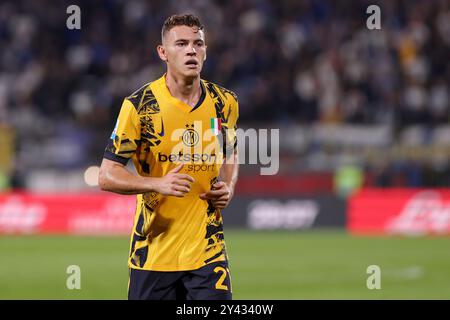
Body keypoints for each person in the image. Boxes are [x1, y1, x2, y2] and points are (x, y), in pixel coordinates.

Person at [98, 13, 239, 300]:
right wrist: (156, 183)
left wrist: (228, 187)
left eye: (198, 44)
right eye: (182, 44)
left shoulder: (225, 102)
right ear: (163, 52)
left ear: (205, 51)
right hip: (153, 253)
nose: (191, 50)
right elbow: (106, 175)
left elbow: (231, 152)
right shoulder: (139, 106)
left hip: (207, 252)